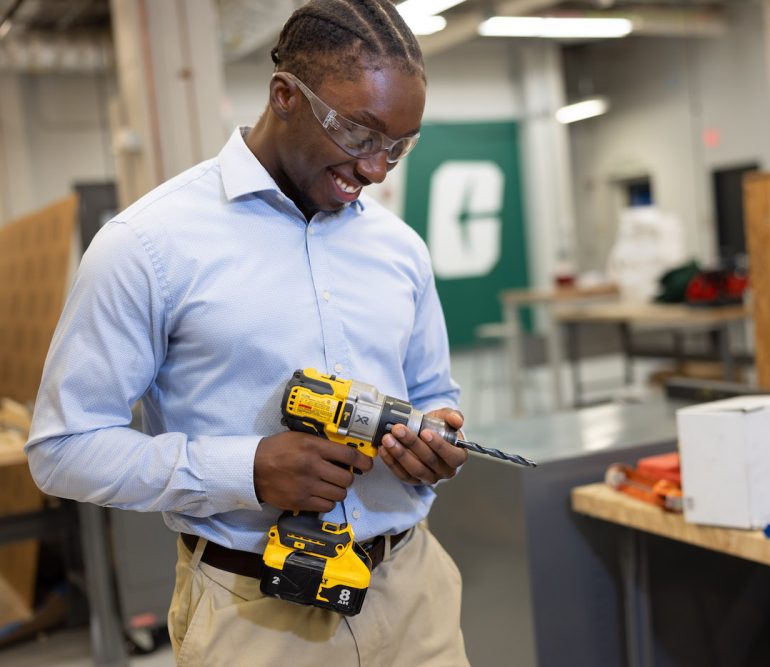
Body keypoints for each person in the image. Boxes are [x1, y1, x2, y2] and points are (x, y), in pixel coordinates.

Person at [25, 1, 470, 664]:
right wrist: (247, 469)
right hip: (256, 612)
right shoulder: (148, 246)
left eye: (398, 146)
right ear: (284, 96)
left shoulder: (399, 248)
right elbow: (62, 448)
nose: (377, 169)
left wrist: (437, 435)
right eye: (359, 134)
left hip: (414, 593)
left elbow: (434, 386)